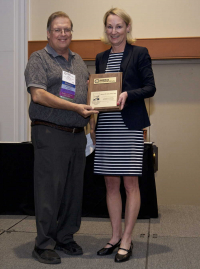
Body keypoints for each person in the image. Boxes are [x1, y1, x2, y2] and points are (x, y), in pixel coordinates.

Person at [25, 11, 98, 264]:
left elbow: (88, 96)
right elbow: (38, 95)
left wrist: (91, 123)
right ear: (48, 33)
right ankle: (43, 243)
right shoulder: (39, 58)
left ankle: (65, 236)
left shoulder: (78, 61)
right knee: (49, 190)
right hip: (50, 132)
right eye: (57, 30)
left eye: (67, 29)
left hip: (78, 134)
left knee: (72, 191)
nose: (63, 34)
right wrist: (76, 108)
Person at [90, 7, 156, 263]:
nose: (113, 31)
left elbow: (150, 87)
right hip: (107, 126)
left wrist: (128, 94)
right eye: (109, 26)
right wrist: (94, 120)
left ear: (128, 28)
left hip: (128, 127)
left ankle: (127, 238)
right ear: (105, 29)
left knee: (130, 184)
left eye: (119, 26)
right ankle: (115, 235)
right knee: (110, 184)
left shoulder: (140, 53)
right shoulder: (100, 57)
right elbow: (100, 94)